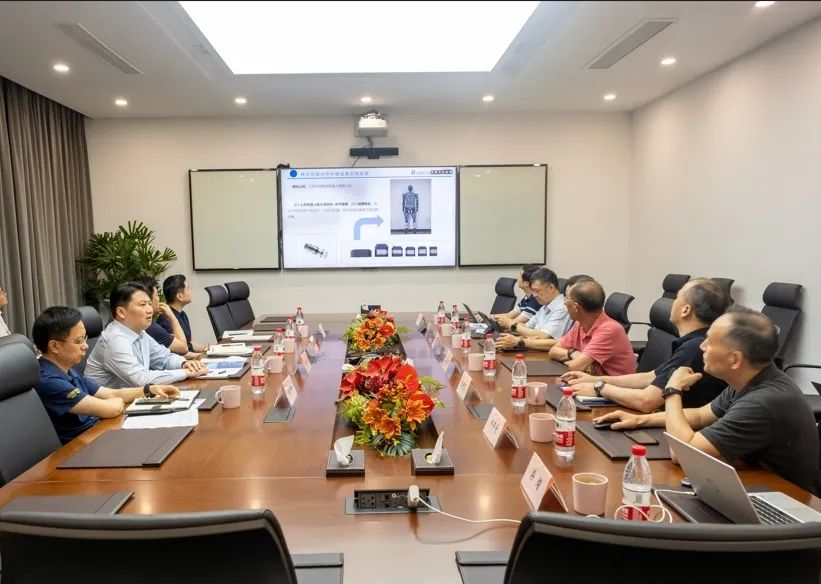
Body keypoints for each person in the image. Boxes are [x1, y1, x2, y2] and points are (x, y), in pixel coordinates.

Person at [594, 307, 820, 495]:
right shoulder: (750, 378)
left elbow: (683, 453)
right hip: (753, 482)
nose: (702, 346)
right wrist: (639, 421)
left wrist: (673, 390)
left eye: (709, 342)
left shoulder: (763, 402)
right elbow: (700, 415)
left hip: (788, 504)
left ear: (735, 359)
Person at [562, 278, 730, 412]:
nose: (672, 303)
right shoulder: (693, 343)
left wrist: (599, 387)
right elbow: (651, 376)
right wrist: (596, 379)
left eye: (677, 298)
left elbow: (646, 401)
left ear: (685, 310)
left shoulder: (694, 348)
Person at [32, 306, 180, 444]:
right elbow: (109, 409)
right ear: (54, 346)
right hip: (80, 447)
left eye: (85, 338)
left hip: (98, 433)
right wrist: (116, 401)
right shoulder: (48, 380)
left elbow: (111, 393)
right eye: (78, 341)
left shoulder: (68, 371)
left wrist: (150, 390)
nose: (86, 345)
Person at [85, 282, 208, 388]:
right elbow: (141, 379)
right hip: (109, 406)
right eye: (143, 304)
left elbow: (164, 358)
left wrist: (184, 363)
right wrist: (185, 372)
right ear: (121, 312)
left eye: (149, 303)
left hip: (134, 400)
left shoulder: (140, 332)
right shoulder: (114, 339)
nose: (149, 310)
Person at [548, 278, 635, 375]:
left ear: (575, 306)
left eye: (566, 299)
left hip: (613, 384)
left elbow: (576, 366)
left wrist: (575, 360)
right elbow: (553, 351)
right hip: (592, 380)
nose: (564, 303)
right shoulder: (580, 323)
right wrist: (573, 353)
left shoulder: (610, 330)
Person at [495, 267, 572, 352]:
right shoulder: (545, 306)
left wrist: (512, 325)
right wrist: (510, 330)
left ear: (551, 288)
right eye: (533, 291)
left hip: (544, 354)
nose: (534, 295)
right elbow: (527, 326)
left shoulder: (562, 308)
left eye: (537, 291)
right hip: (534, 348)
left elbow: (544, 336)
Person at [133, 275, 195, 357]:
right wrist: (172, 317)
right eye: (157, 295)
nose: (159, 299)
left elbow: (165, 358)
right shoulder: (151, 326)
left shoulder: (145, 328)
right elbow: (183, 349)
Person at [158, 274, 208, 353]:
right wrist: (201, 355)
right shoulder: (166, 320)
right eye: (188, 288)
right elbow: (177, 352)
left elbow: (188, 344)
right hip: (184, 359)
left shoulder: (182, 314)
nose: (190, 290)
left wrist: (206, 348)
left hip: (192, 356)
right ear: (180, 296)